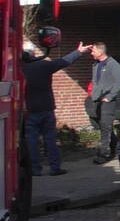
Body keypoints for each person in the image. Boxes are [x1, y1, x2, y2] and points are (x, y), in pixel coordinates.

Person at [22, 40, 91, 176]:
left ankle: (35, 169)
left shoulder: (20, 68)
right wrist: (79, 52)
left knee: (31, 141)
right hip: (47, 108)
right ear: (33, 53)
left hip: (30, 110)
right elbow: (63, 62)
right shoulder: (44, 65)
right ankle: (55, 168)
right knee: (50, 139)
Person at [86, 42, 120, 163]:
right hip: (97, 100)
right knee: (101, 125)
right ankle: (115, 147)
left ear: (101, 51)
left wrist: (109, 96)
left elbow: (118, 83)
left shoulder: (113, 64)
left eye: (93, 51)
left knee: (105, 126)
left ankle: (104, 154)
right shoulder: (96, 65)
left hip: (108, 101)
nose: (92, 53)